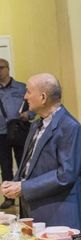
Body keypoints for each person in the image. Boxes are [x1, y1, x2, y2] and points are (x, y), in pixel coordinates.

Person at [1, 73, 81, 230]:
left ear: (43, 97)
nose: (25, 97)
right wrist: (15, 182)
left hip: (57, 213)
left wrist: (23, 187)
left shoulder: (69, 127)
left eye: (28, 91)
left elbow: (65, 175)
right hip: (34, 208)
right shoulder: (36, 124)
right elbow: (29, 163)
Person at [0, 58, 30, 209]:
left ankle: (26, 195)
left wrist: (28, 114)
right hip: (1, 133)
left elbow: (32, 104)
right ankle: (9, 198)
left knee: (23, 164)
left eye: (1, 68)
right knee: (5, 166)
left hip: (20, 130)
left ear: (8, 68)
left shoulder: (21, 87)